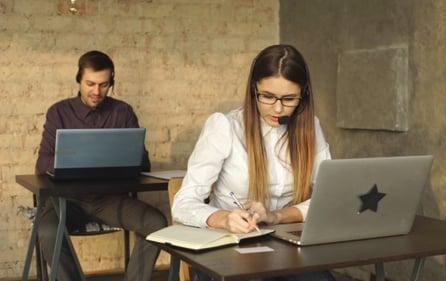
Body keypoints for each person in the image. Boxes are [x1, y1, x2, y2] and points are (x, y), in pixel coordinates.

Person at [172, 44, 335, 281]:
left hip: (284, 248)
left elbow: (328, 198)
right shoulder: (224, 126)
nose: (278, 108)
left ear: (304, 95)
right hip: (226, 248)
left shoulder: (310, 128)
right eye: (267, 96)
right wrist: (224, 219)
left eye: (289, 99)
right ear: (253, 90)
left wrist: (276, 216)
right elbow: (183, 203)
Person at [35, 50, 168, 281]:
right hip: (68, 201)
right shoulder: (59, 112)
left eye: (104, 85)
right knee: (47, 230)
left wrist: (123, 159)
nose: (96, 91)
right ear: (79, 79)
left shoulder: (123, 112)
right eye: (90, 84)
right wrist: (74, 162)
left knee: (156, 223)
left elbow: (143, 161)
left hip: (110, 200)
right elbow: (42, 163)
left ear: (111, 83)